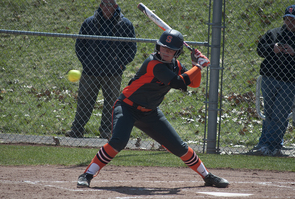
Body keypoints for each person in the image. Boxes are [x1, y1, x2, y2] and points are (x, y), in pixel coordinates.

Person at [75, 29, 229, 188]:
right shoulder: (153, 63)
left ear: (177, 52)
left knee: (179, 147)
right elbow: (176, 82)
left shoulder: (176, 66)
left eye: (171, 49)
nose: (166, 51)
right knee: (118, 141)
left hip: (150, 112)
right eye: (164, 47)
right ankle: (87, 174)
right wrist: (199, 66)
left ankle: (207, 176)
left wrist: (194, 66)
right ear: (158, 47)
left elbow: (194, 83)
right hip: (127, 106)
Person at [66, 0, 137, 139]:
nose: (106, 7)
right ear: (100, 6)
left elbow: (131, 48)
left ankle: (106, 131)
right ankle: (77, 129)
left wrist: (120, 65)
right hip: (90, 71)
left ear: (115, 7)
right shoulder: (89, 22)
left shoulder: (125, 24)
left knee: (111, 103)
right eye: (103, 4)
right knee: (84, 101)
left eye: (109, 4)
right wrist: (86, 63)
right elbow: (80, 45)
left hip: (113, 73)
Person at [252, 5, 295, 156]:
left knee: (280, 114)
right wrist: (273, 48)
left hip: (289, 81)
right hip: (269, 78)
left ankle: (273, 146)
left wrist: (293, 52)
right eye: (287, 19)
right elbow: (259, 50)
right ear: (284, 19)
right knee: (269, 113)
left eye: (293, 20)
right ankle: (265, 145)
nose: (290, 22)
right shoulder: (273, 33)